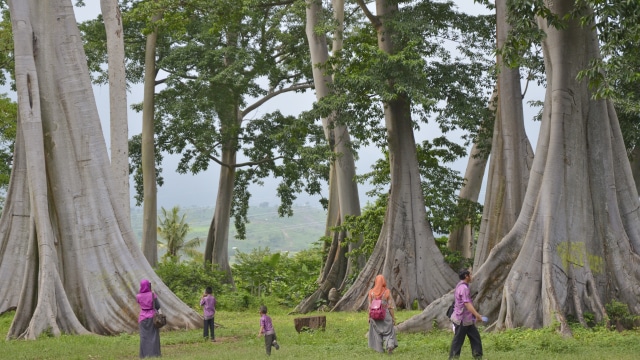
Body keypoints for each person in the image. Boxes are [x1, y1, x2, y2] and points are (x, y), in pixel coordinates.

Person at [449, 269, 484, 360]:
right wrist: (477, 315)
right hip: (461, 320)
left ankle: (478, 357)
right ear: (466, 276)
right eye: (470, 274)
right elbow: (467, 304)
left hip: (467, 319)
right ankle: (453, 358)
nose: (472, 276)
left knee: (475, 337)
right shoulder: (463, 288)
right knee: (458, 341)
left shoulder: (461, 285)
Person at [367, 274, 398, 354]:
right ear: (383, 281)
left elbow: (370, 306)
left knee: (376, 332)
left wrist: (369, 317)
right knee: (389, 331)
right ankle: (390, 346)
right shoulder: (387, 292)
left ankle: (379, 349)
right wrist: (393, 318)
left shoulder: (371, 292)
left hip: (374, 316)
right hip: (385, 315)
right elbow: (390, 306)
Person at [136, 279, 161, 358]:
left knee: (144, 336)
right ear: (148, 285)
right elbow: (158, 306)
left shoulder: (138, 296)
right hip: (152, 317)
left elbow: (140, 304)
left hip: (142, 317)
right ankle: (155, 354)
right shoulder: (152, 294)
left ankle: (144, 355)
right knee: (154, 336)